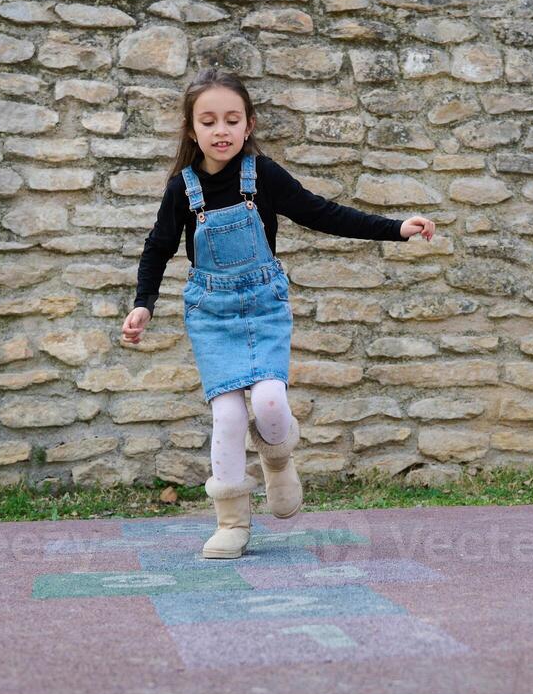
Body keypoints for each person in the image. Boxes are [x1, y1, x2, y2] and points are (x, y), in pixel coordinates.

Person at [121, 68, 437, 559]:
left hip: (263, 306)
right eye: (208, 121)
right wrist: (143, 305)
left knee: (269, 401)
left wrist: (395, 229)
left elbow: (321, 212)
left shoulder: (262, 174)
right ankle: (231, 522)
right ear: (191, 130)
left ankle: (277, 459)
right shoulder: (182, 189)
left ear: (248, 125)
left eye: (232, 119)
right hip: (212, 313)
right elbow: (157, 248)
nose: (220, 130)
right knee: (226, 415)